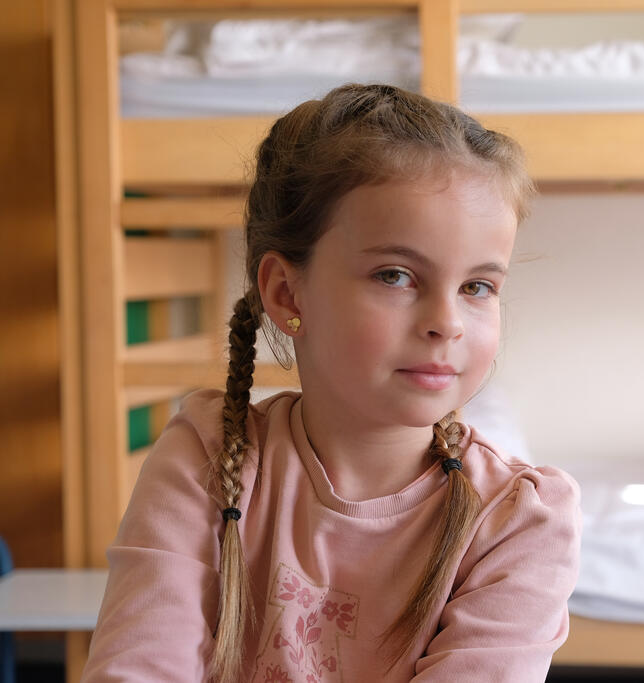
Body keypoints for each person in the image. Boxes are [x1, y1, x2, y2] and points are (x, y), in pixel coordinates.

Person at [82, 83, 581, 682]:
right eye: (395, 275)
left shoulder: (520, 521)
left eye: (477, 286)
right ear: (288, 293)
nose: (446, 323)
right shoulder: (205, 457)